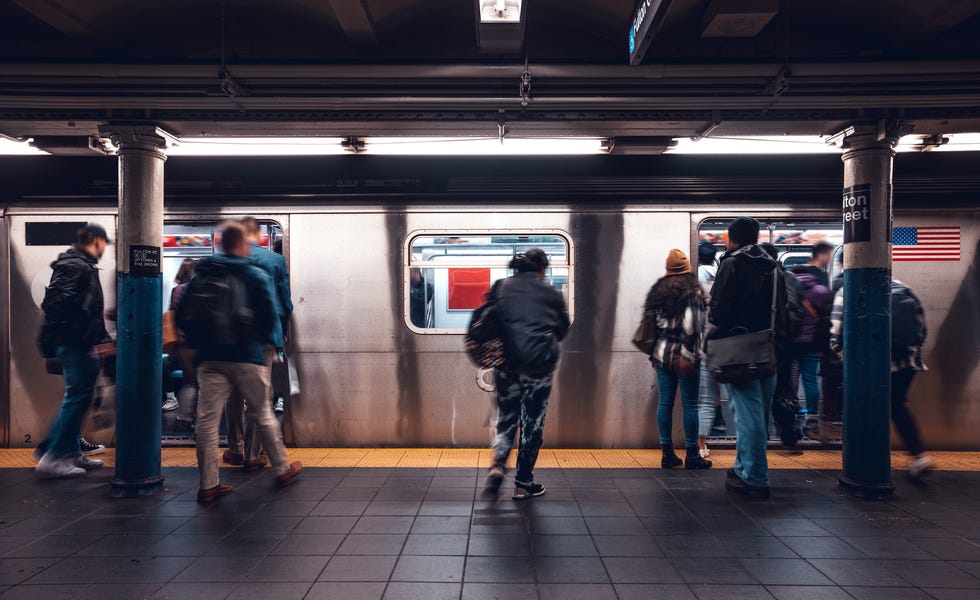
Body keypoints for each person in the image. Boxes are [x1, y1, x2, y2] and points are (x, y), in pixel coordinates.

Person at [177, 221, 301, 503]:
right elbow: (272, 312)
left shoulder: (204, 270)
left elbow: (184, 312)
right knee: (262, 410)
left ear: (221, 242)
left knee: (207, 421)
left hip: (210, 358)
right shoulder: (255, 272)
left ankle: (209, 484)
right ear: (242, 243)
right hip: (247, 355)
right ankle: (280, 468)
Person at [709, 218, 788, 499]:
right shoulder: (773, 266)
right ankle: (744, 467)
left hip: (740, 349)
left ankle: (755, 478)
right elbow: (783, 310)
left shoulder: (731, 263)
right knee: (759, 414)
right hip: (768, 346)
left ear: (733, 239)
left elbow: (718, 312)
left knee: (746, 415)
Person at [483, 249, 570, 500]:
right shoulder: (552, 293)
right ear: (542, 269)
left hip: (506, 367)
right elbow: (562, 330)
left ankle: (498, 465)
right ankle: (523, 482)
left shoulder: (500, 286)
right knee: (532, 425)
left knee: (506, 421)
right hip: (538, 369)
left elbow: (490, 321)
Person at [830, 278, 934, 478]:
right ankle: (919, 455)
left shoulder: (847, 290)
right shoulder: (905, 287)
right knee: (897, 407)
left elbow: (836, 331)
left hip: (868, 364)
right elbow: (921, 329)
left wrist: (844, 357)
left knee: (866, 409)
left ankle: (867, 460)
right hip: (906, 362)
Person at [34, 224, 112, 478]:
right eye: (103, 244)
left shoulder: (82, 265)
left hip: (80, 342)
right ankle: (54, 455)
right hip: (75, 343)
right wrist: (78, 337)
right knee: (77, 397)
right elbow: (56, 303)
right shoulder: (75, 265)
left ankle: (69, 451)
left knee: (79, 397)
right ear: (96, 240)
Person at [645, 249, 711, 470]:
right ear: (687, 269)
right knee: (690, 404)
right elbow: (694, 325)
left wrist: (653, 353)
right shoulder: (693, 291)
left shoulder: (658, 291)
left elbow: (650, 325)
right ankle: (692, 455)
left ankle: (667, 455)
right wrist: (687, 354)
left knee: (666, 402)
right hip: (685, 355)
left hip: (662, 353)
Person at [237, 217, 293, 471]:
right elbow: (285, 303)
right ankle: (253, 455)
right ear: (259, 235)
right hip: (263, 338)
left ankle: (235, 448)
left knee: (233, 397)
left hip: (232, 341)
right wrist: (283, 333)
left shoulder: (228, 260)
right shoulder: (274, 261)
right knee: (259, 398)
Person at [789, 265, 832, 437]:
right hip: (812, 343)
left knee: (791, 381)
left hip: (791, 343)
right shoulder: (821, 291)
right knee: (810, 381)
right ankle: (812, 416)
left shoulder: (788, 287)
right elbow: (826, 319)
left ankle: (790, 411)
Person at [696, 240, 724, 458]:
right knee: (732, 399)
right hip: (729, 347)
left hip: (705, 346)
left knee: (704, 399)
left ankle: (701, 445)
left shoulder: (697, 286)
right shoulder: (723, 282)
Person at [170, 258, 199, 425]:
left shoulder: (177, 290)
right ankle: (199, 420)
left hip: (183, 343)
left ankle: (185, 415)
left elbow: (172, 315)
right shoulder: (198, 288)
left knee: (190, 381)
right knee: (201, 383)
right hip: (200, 342)